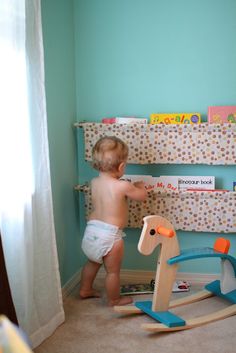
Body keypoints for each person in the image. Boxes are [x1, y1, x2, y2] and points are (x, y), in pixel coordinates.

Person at [79, 136, 147, 306]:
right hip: (110, 235)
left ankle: (85, 289)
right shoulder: (122, 185)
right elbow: (142, 197)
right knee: (112, 272)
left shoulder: (94, 182)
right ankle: (114, 299)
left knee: (92, 263)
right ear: (122, 166)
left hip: (92, 230)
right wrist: (140, 186)